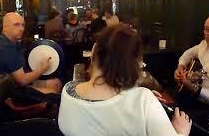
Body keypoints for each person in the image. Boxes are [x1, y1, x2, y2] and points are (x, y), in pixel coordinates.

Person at [58, 24, 192, 136]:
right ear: (134, 65)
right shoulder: (143, 99)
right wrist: (181, 132)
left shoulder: (68, 91)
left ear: (93, 52)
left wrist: (137, 99)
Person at [0, 12, 62, 94]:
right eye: (16, 25)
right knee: (53, 91)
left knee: (56, 83)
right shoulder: (4, 47)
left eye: (23, 25)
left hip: (14, 84)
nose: (21, 28)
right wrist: (42, 69)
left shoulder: (13, 42)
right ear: (5, 27)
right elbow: (23, 80)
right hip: (6, 94)